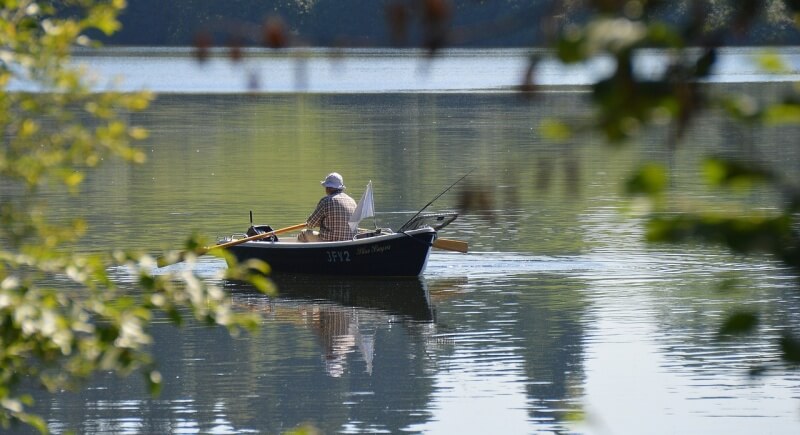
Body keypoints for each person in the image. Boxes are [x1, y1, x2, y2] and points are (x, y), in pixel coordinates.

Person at [298, 172, 358, 242]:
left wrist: (320, 222)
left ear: (328, 188)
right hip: (350, 241)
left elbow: (311, 224)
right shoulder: (352, 201)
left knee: (303, 233)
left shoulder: (326, 201)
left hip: (329, 241)